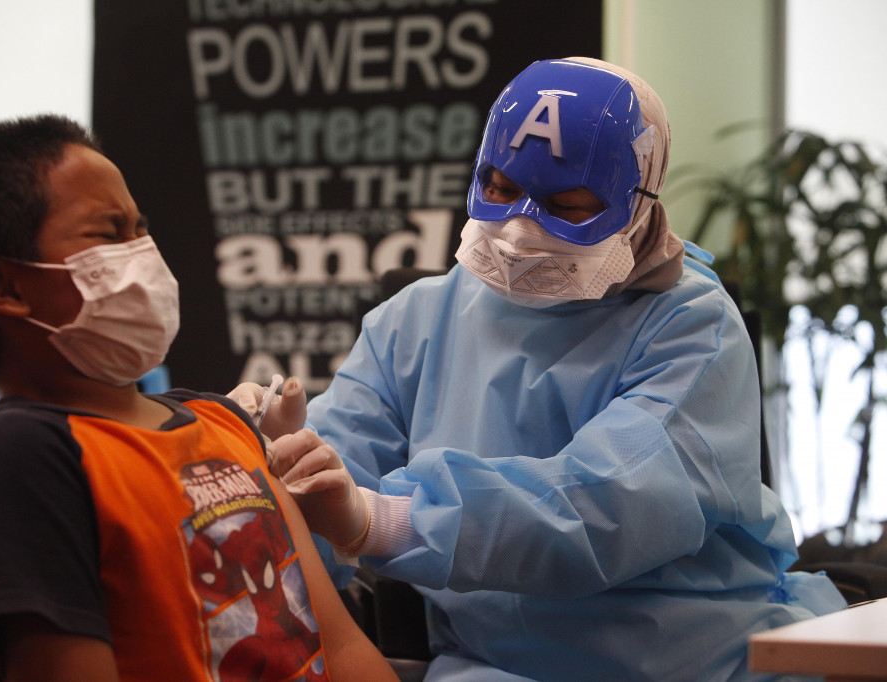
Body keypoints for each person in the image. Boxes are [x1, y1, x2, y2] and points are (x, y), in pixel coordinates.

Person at [233, 58, 848, 681]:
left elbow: (604, 509)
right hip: (492, 666)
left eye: (567, 204)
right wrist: (260, 468)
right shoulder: (414, 322)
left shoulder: (691, 325)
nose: (520, 230)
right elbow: (319, 496)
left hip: (693, 659)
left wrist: (386, 518)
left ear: (639, 204)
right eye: (499, 189)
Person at [0, 114, 397, 682]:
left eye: (140, 228)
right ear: (4, 286)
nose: (143, 253)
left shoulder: (224, 423)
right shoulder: (25, 455)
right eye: (109, 234)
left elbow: (340, 643)